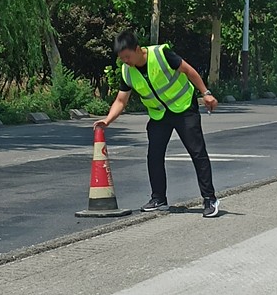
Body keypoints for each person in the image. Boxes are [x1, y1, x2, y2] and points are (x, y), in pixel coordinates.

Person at [93, 30, 220, 218]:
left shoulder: (161, 55)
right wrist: (107, 120)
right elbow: (121, 100)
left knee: (197, 152)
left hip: (183, 107)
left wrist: (206, 93)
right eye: (122, 58)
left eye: (127, 56)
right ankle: (158, 198)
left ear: (137, 49)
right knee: (154, 155)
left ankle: (210, 199)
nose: (125, 61)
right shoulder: (127, 70)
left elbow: (189, 70)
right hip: (160, 115)